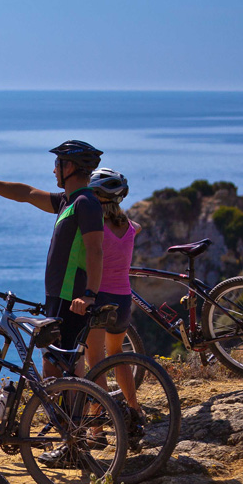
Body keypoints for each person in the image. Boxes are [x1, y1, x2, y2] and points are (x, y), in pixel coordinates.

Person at [0, 140, 105, 375]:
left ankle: (72, 401)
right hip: (58, 294)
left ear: (69, 167)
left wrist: (89, 295)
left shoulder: (85, 203)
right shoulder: (67, 201)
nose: (54, 170)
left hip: (69, 297)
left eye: (57, 164)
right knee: (62, 364)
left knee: (55, 365)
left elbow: (95, 250)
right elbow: (25, 193)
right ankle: (73, 400)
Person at [84, 168, 145, 437]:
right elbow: (138, 226)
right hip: (123, 298)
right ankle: (134, 409)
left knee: (96, 362)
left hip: (100, 299)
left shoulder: (96, 227)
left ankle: (96, 427)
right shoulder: (129, 227)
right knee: (117, 355)